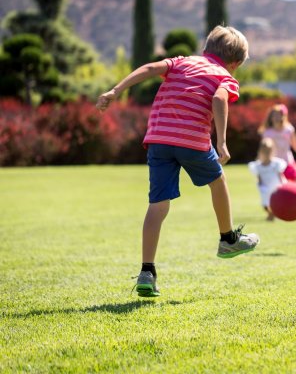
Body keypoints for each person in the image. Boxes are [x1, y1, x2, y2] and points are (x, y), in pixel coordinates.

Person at [96, 25, 260, 298]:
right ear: (235, 63)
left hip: (159, 138)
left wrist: (116, 90)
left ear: (206, 48)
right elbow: (220, 99)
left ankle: (147, 271)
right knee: (218, 180)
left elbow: (149, 69)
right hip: (191, 140)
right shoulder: (224, 76)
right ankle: (228, 239)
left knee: (158, 206)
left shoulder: (182, 61)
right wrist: (221, 142)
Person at [259, 104, 296, 186]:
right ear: (271, 117)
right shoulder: (267, 132)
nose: (277, 117)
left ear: (283, 116)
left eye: (279, 115)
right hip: (274, 165)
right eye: (274, 115)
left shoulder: (288, 129)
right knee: (278, 187)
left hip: (287, 162)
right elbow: (264, 150)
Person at [248, 138, 287, 221]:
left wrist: (283, 185)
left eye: (268, 151)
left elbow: (280, 175)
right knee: (265, 204)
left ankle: (273, 214)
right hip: (265, 187)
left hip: (276, 186)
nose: (266, 154)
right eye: (265, 151)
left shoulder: (276, 164)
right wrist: (261, 185)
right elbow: (259, 177)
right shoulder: (257, 166)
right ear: (260, 151)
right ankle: (271, 213)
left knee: (276, 202)